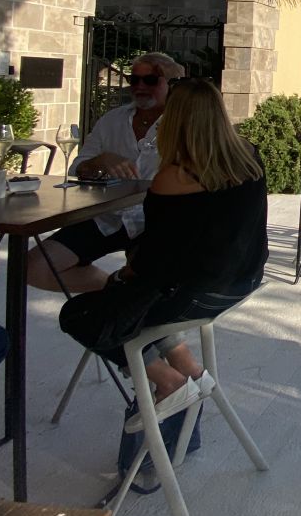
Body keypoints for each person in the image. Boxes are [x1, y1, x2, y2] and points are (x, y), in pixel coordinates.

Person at [59, 78, 268, 429]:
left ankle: (166, 381)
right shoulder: (248, 157)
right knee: (130, 303)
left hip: (195, 292)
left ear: (175, 120)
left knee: (78, 314)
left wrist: (126, 272)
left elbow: (155, 258)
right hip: (240, 281)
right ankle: (190, 372)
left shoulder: (176, 176)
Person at [28, 52, 185, 293]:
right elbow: (76, 168)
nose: (140, 87)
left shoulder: (185, 124)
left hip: (158, 221)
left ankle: (149, 322)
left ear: (172, 84)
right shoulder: (113, 120)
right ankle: (111, 289)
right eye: (135, 80)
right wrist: (100, 161)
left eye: (151, 80)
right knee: (34, 267)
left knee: (149, 281)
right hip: (108, 216)